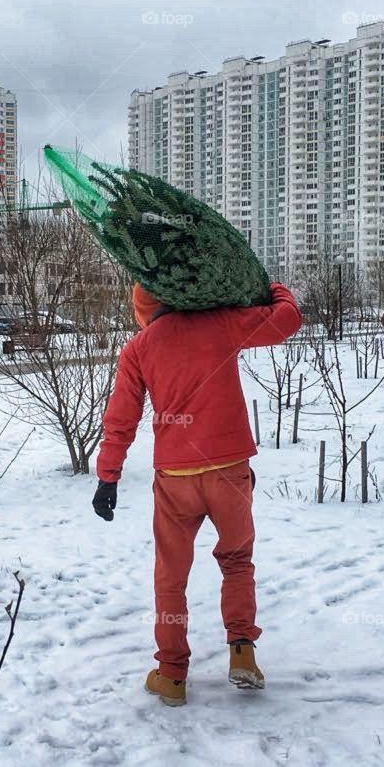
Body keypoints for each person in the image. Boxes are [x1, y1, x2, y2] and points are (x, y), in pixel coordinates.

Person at [92, 281, 302, 706]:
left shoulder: (138, 349)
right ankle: (242, 652)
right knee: (237, 560)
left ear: (143, 309)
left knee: (171, 575)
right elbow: (286, 323)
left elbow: (121, 419)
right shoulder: (219, 323)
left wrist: (107, 477)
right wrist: (269, 287)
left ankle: (171, 675)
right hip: (229, 471)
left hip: (175, 476)